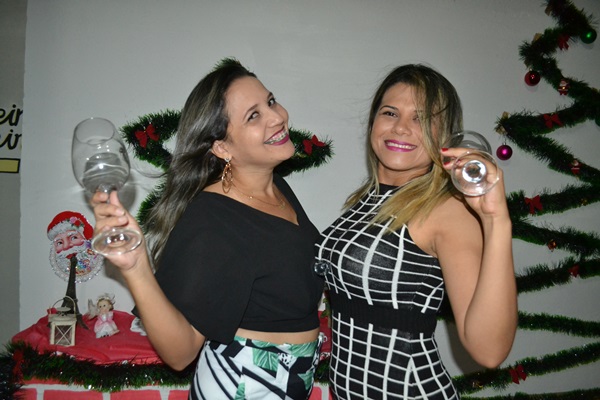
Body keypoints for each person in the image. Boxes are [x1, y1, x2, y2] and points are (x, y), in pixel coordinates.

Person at [91, 59, 324, 399]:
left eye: (270, 101)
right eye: (253, 115)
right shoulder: (212, 216)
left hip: (287, 383)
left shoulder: (277, 189)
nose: (277, 117)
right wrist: (137, 266)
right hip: (244, 385)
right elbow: (180, 352)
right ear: (222, 147)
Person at [314, 64, 518, 399]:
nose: (400, 127)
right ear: (373, 122)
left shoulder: (445, 210)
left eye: (421, 119)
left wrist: (497, 220)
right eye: (390, 112)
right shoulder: (368, 200)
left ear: (443, 136)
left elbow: (490, 351)